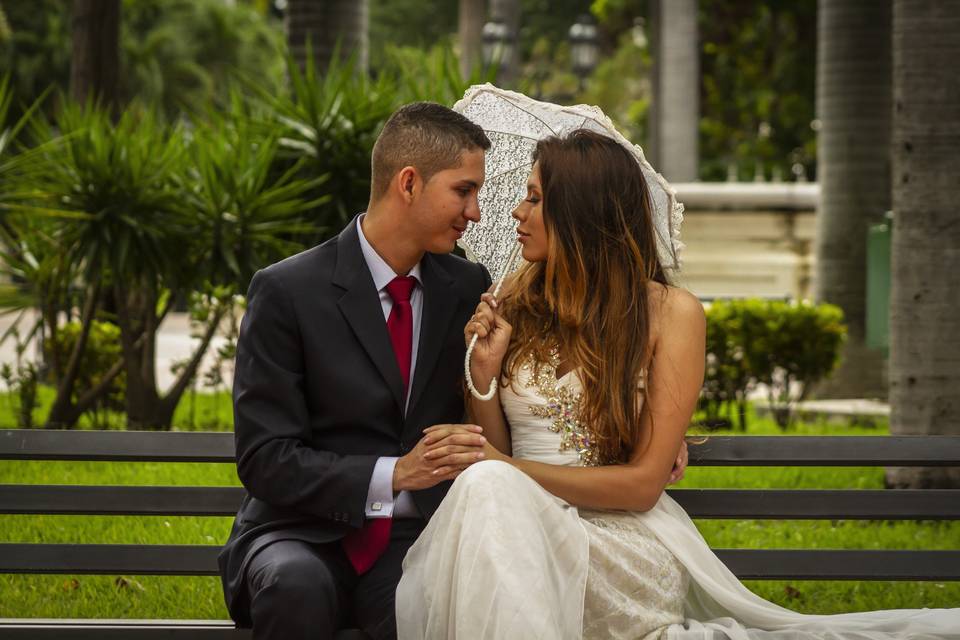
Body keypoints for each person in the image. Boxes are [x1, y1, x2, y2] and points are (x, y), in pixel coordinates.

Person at [396, 129, 960, 639]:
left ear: (583, 212)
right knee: (490, 494)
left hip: (621, 547)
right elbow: (497, 445)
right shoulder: (514, 302)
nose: (517, 212)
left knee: (489, 485)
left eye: (537, 199)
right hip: (519, 527)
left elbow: (642, 485)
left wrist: (501, 466)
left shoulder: (672, 315)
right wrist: (484, 375)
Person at [217, 102, 497, 640]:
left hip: (414, 539)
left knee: (421, 602)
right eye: (463, 191)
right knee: (295, 586)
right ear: (409, 183)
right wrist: (395, 474)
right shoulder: (285, 291)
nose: (476, 212)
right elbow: (264, 458)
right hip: (297, 531)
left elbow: (511, 399)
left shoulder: (467, 287)